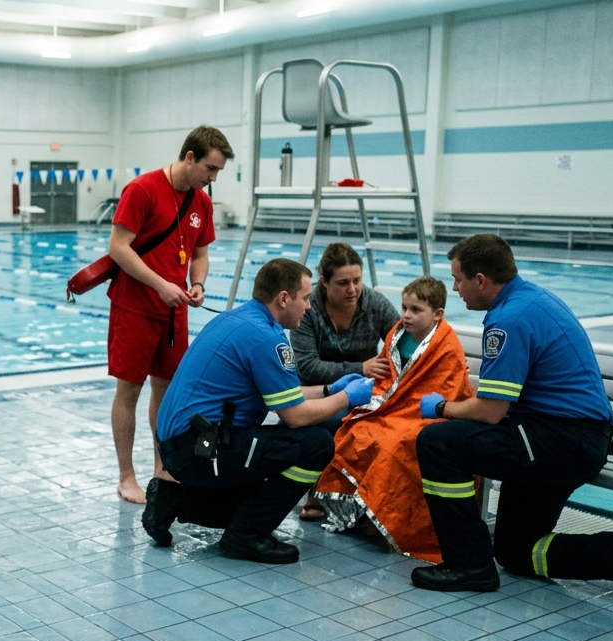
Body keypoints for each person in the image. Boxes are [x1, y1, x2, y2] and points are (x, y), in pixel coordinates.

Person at [411, 234, 613, 614]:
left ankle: (468, 564)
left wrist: (441, 407)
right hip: (570, 437)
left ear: (480, 280)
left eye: (458, 279)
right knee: (516, 552)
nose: (455, 289)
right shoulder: (532, 298)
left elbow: (490, 411)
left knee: (437, 442)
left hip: (561, 439)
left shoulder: (508, 318)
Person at [143, 258, 375, 562]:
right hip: (199, 450)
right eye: (305, 298)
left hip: (184, 445)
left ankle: (175, 500)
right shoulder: (267, 338)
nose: (309, 307)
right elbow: (294, 416)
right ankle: (246, 536)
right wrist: (347, 398)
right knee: (316, 444)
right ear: (283, 298)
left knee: (252, 497)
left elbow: (280, 396)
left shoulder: (238, 319)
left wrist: (329, 390)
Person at [109, 125, 233, 504]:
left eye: (218, 172)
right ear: (190, 157)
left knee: (166, 391)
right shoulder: (142, 190)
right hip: (134, 307)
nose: (213, 179)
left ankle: (162, 465)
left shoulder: (202, 202)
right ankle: (126, 476)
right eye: (210, 169)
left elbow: (200, 253)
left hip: (174, 311)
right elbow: (118, 247)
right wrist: (161, 284)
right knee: (129, 390)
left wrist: (198, 284)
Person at [315, 276, 472, 561]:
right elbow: (386, 378)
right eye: (404, 308)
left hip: (429, 414)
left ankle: (386, 515)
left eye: (415, 310)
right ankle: (362, 509)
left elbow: (448, 391)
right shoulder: (398, 334)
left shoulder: (447, 345)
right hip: (394, 407)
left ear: (437, 314)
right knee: (355, 428)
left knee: (394, 445)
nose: (406, 315)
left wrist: (408, 406)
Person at [290, 242, 399, 520]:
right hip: (317, 393)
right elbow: (307, 366)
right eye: (343, 283)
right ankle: (319, 491)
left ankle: (371, 497)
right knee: (329, 422)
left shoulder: (374, 304)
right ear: (324, 282)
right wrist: (360, 368)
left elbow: (402, 345)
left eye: (357, 280)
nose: (352, 289)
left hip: (364, 394)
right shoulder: (308, 308)